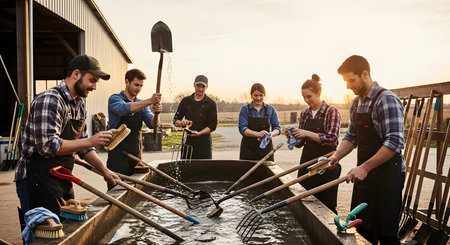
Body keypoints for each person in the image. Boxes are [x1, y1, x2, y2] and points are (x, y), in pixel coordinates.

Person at [14, 54, 119, 228]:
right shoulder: (50, 100)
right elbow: (48, 146)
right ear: (76, 74)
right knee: (42, 235)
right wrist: (91, 141)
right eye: (92, 80)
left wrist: (105, 171)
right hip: (35, 179)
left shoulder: (79, 104)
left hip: (61, 177)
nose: (94, 87)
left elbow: (84, 147)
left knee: (66, 230)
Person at [328, 55, 404, 244]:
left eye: (351, 80)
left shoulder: (386, 100)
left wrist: (365, 167)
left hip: (387, 177)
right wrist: (336, 156)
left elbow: (394, 142)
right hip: (365, 176)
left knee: (386, 233)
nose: (348, 86)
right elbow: (352, 137)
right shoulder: (356, 103)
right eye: (346, 81)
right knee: (362, 229)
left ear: (365, 74)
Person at [288, 74, 341, 214]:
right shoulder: (305, 113)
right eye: (304, 97)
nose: (306, 100)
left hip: (327, 162)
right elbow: (300, 143)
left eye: (309, 96)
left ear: (318, 93)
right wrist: (294, 137)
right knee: (303, 201)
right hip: (307, 162)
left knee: (327, 206)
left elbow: (332, 139)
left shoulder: (331, 111)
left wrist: (307, 133)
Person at [107, 69, 162, 189]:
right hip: (118, 158)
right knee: (116, 192)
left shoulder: (141, 104)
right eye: (136, 84)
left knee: (134, 193)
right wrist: (150, 101)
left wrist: (157, 113)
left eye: (141, 86)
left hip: (136, 158)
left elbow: (153, 124)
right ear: (127, 82)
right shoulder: (114, 99)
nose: (139, 88)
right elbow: (124, 109)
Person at [173, 75, 218, 159]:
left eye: (203, 86)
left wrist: (199, 133)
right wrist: (181, 123)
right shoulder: (185, 101)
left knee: (204, 169)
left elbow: (213, 125)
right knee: (186, 169)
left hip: (204, 143)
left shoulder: (211, 103)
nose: (200, 89)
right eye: (198, 86)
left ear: (206, 87)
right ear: (194, 85)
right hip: (187, 142)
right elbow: (175, 120)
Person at [238, 83, 281, 161]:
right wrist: (257, 134)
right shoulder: (245, 109)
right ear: (251, 95)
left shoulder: (270, 109)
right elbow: (242, 129)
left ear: (264, 95)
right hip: (248, 150)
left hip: (266, 150)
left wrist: (271, 134)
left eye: (261, 95)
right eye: (256, 95)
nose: (258, 98)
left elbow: (277, 128)